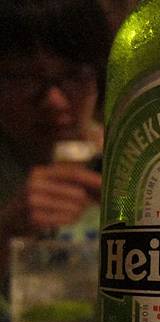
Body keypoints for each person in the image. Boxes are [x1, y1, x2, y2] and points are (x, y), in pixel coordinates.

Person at [0, 0, 112, 282]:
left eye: (74, 75)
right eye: (26, 78)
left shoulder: (129, 160)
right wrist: (6, 233)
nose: (54, 101)